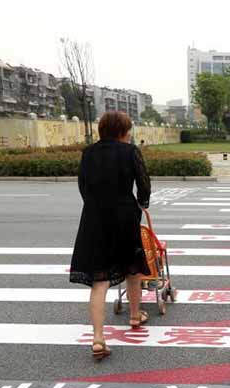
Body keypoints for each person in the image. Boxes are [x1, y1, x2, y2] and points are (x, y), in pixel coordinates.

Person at [69, 111, 151, 361]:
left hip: (94, 219)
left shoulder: (88, 153)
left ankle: (97, 338)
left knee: (99, 279)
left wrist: (95, 206)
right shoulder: (130, 151)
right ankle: (135, 315)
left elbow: (83, 185)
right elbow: (144, 182)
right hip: (125, 215)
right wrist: (141, 203)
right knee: (132, 269)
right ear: (122, 131)